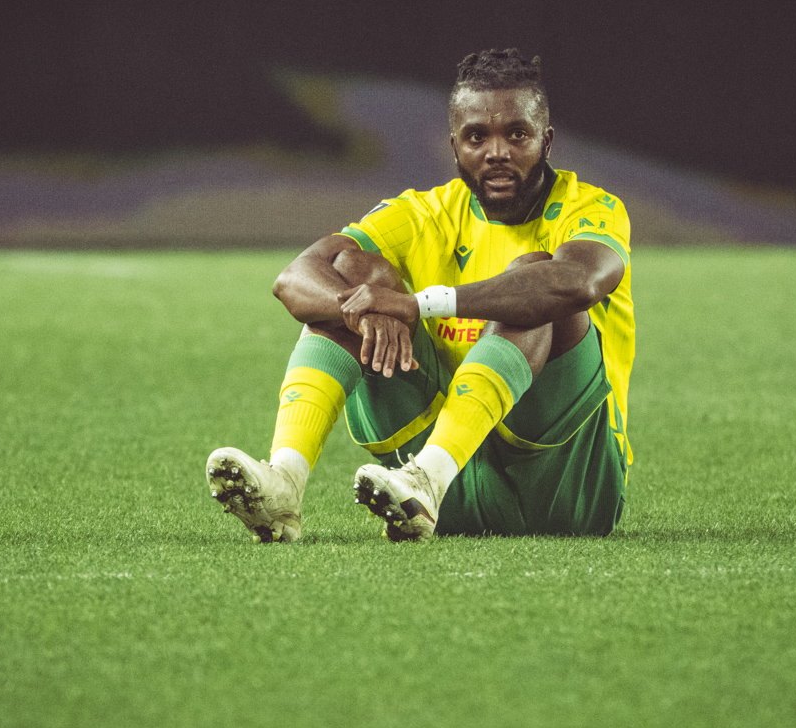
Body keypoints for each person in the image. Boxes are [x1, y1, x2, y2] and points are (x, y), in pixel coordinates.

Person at [206, 48, 634, 542]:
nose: (497, 151)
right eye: (477, 137)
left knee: (535, 280)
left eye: (517, 134)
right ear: (455, 147)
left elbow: (578, 281)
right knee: (351, 272)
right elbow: (294, 278)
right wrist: (362, 309)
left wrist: (416, 304)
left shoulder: (592, 208)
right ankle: (285, 481)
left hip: (566, 488)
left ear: (547, 141)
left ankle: (430, 476)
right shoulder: (423, 213)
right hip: (442, 493)